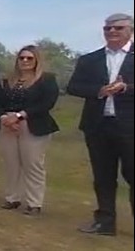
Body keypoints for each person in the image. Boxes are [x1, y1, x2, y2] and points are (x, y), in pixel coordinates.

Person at [67, 12, 134, 236]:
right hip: (98, 126)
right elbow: (73, 87)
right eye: (108, 28)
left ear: (130, 30)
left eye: (118, 28)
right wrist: (98, 91)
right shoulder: (90, 59)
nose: (112, 31)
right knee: (103, 177)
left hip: (130, 127)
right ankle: (105, 223)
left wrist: (126, 88)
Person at [0, 45, 60, 216]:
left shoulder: (46, 79)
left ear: (36, 60)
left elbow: (47, 103)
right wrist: (5, 118)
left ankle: (34, 203)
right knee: (12, 164)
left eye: (29, 58)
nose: (25, 61)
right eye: (22, 58)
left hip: (33, 124)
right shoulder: (7, 80)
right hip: (7, 125)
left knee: (32, 164)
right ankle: (12, 198)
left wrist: (20, 116)